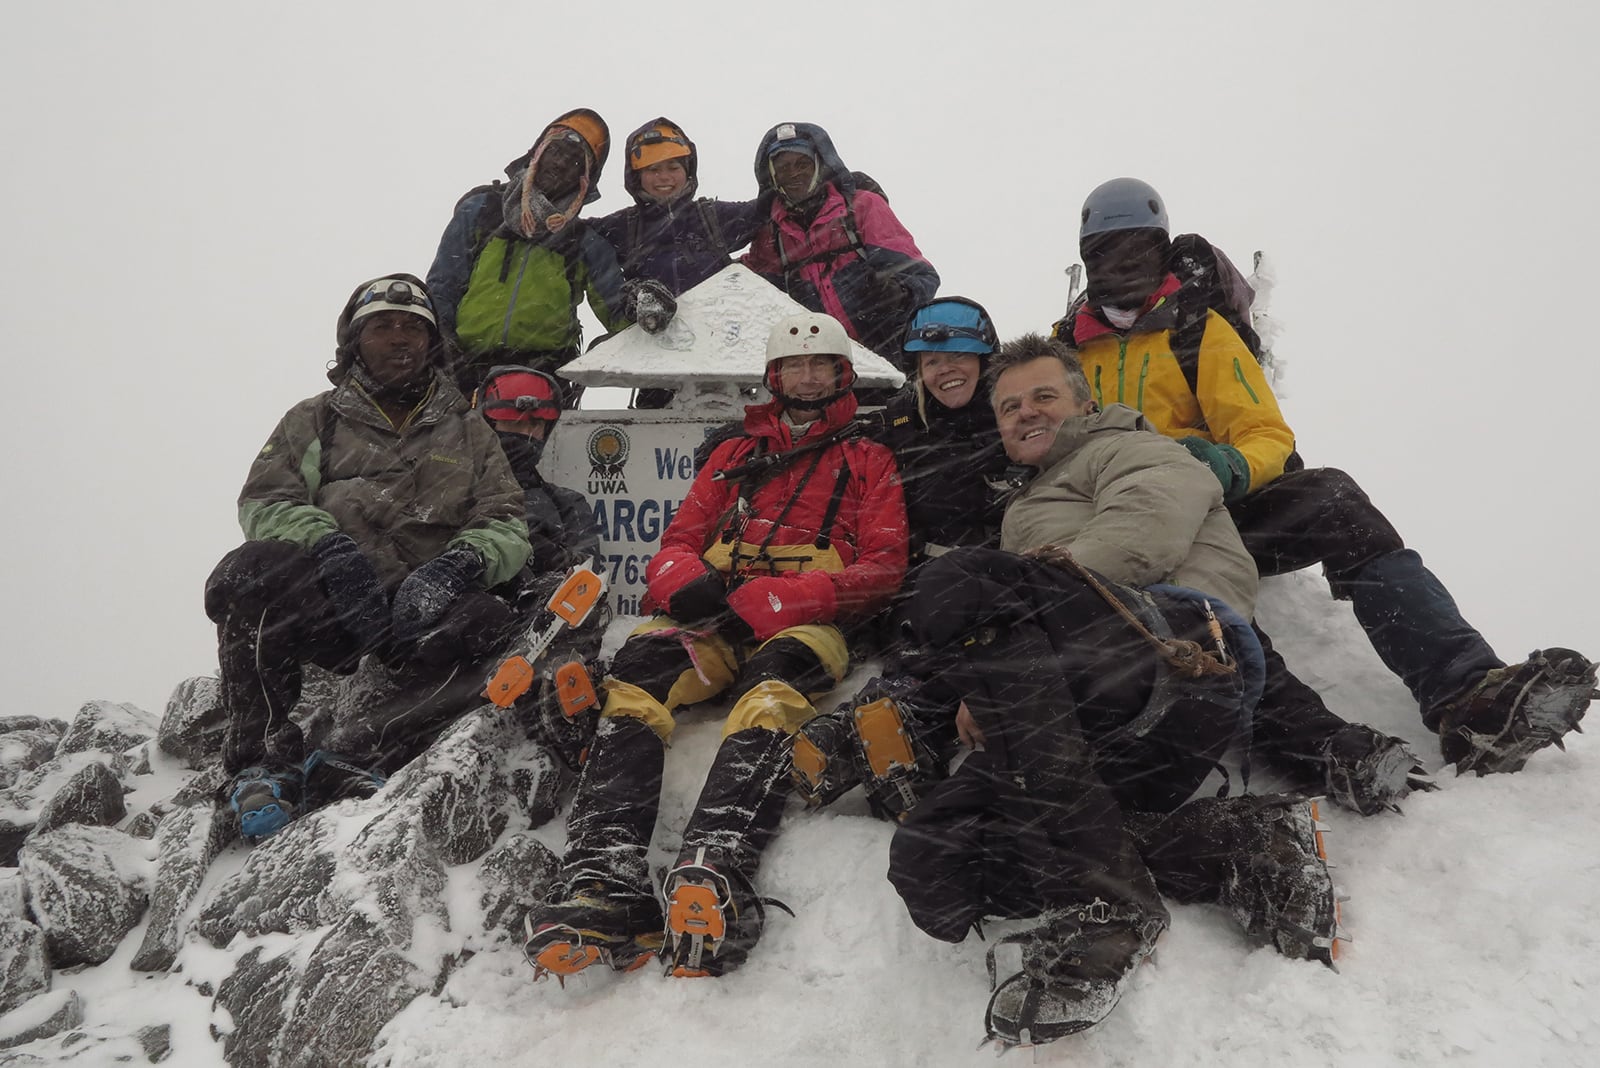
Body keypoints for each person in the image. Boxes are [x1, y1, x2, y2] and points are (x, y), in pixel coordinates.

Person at [1054, 177, 1596, 782]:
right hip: (1126, 530)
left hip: (1215, 511)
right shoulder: (1065, 355)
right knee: (1202, 608)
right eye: (1107, 253)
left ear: (1160, 251)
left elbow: (1264, 434)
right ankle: (1323, 746)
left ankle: (1466, 692)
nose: (1122, 267)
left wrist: (1229, 466)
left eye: (1136, 250)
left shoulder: (1196, 332)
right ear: (1088, 261)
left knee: (1333, 500)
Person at [887, 336, 1337, 1047]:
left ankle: (1106, 907)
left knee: (957, 579)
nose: (1023, 413)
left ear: (1084, 403)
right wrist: (992, 669)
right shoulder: (1023, 507)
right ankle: (1230, 842)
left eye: (1043, 396)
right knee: (934, 860)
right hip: (1082, 722)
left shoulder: (1138, 448)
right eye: (1008, 406)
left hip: (1174, 658)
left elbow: (1143, 535)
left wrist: (1002, 611)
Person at [521, 311, 908, 981]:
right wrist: (683, 581)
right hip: (717, 607)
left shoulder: (869, 456)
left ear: (843, 374)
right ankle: (604, 875)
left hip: (805, 615)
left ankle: (717, 863)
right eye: (794, 365)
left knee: (769, 692)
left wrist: (790, 597)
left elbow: (884, 565)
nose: (807, 376)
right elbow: (677, 539)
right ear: (773, 375)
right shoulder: (734, 453)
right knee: (636, 675)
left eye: (821, 365)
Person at [203, 275, 531, 839]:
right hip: (331, 607)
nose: (399, 338)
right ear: (354, 341)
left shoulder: (469, 430)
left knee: (492, 623)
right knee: (249, 570)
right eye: (382, 326)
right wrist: (328, 547)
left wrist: (458, 566)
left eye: (413, 327)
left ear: (433, 342)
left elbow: (505, 519)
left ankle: (360, 752)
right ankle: (261, 762)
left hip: (422, 614)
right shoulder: (314, 419)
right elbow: (265, 500)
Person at [791, 296, 1009, 817]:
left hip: (1004, 574)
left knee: (980, 656)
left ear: (986, 358)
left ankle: (875, 740)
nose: (945, 371)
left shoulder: (1013, 412)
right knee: (917, 648)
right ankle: (881, 743)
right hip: (923, 579)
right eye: (932, 362)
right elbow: (825, 444)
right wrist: (737, 442)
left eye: (959, 356)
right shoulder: (899, 420)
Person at [425, 108, 631, 404]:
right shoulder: (482, 210)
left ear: (584, 179)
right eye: (555, 151)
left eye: (575, 162)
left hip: (543, 379)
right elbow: (443, 285)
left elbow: (619, 313)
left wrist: (643, 313)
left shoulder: (583, 242)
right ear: (537, 152)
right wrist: (443, 348)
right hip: (465, 372)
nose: (560, 164)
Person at [476, 365, 608, 770]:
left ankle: (561, 686)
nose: (522, 432)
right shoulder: (458, 489)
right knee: (485, 610)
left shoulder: (564, 501)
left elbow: (590, 570)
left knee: (578, 598)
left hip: (555, 605)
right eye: (510, 422)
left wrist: (558, 559)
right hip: (484, 607)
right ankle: (545, 679)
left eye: (534, 424)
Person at [741, 122, 939, 386]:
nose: (794, 174)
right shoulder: (772, 232)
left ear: (820, 165)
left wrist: (898, 293)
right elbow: (748, 284)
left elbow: (923, 277)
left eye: (802, 164)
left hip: (891, 360)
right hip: (819, 373)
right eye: (783, 167)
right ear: (772, 175)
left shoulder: (862, 207)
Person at [591, 117, 770, 407]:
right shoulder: (623, 227)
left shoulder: (713, 217)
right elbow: (572, 233)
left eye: (673, 167)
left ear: (688, 172)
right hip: (656, 362)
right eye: (653, 169)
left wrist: (842, 185)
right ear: (637, 176)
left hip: (724, 358)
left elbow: (770, 207)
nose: (664, 177)